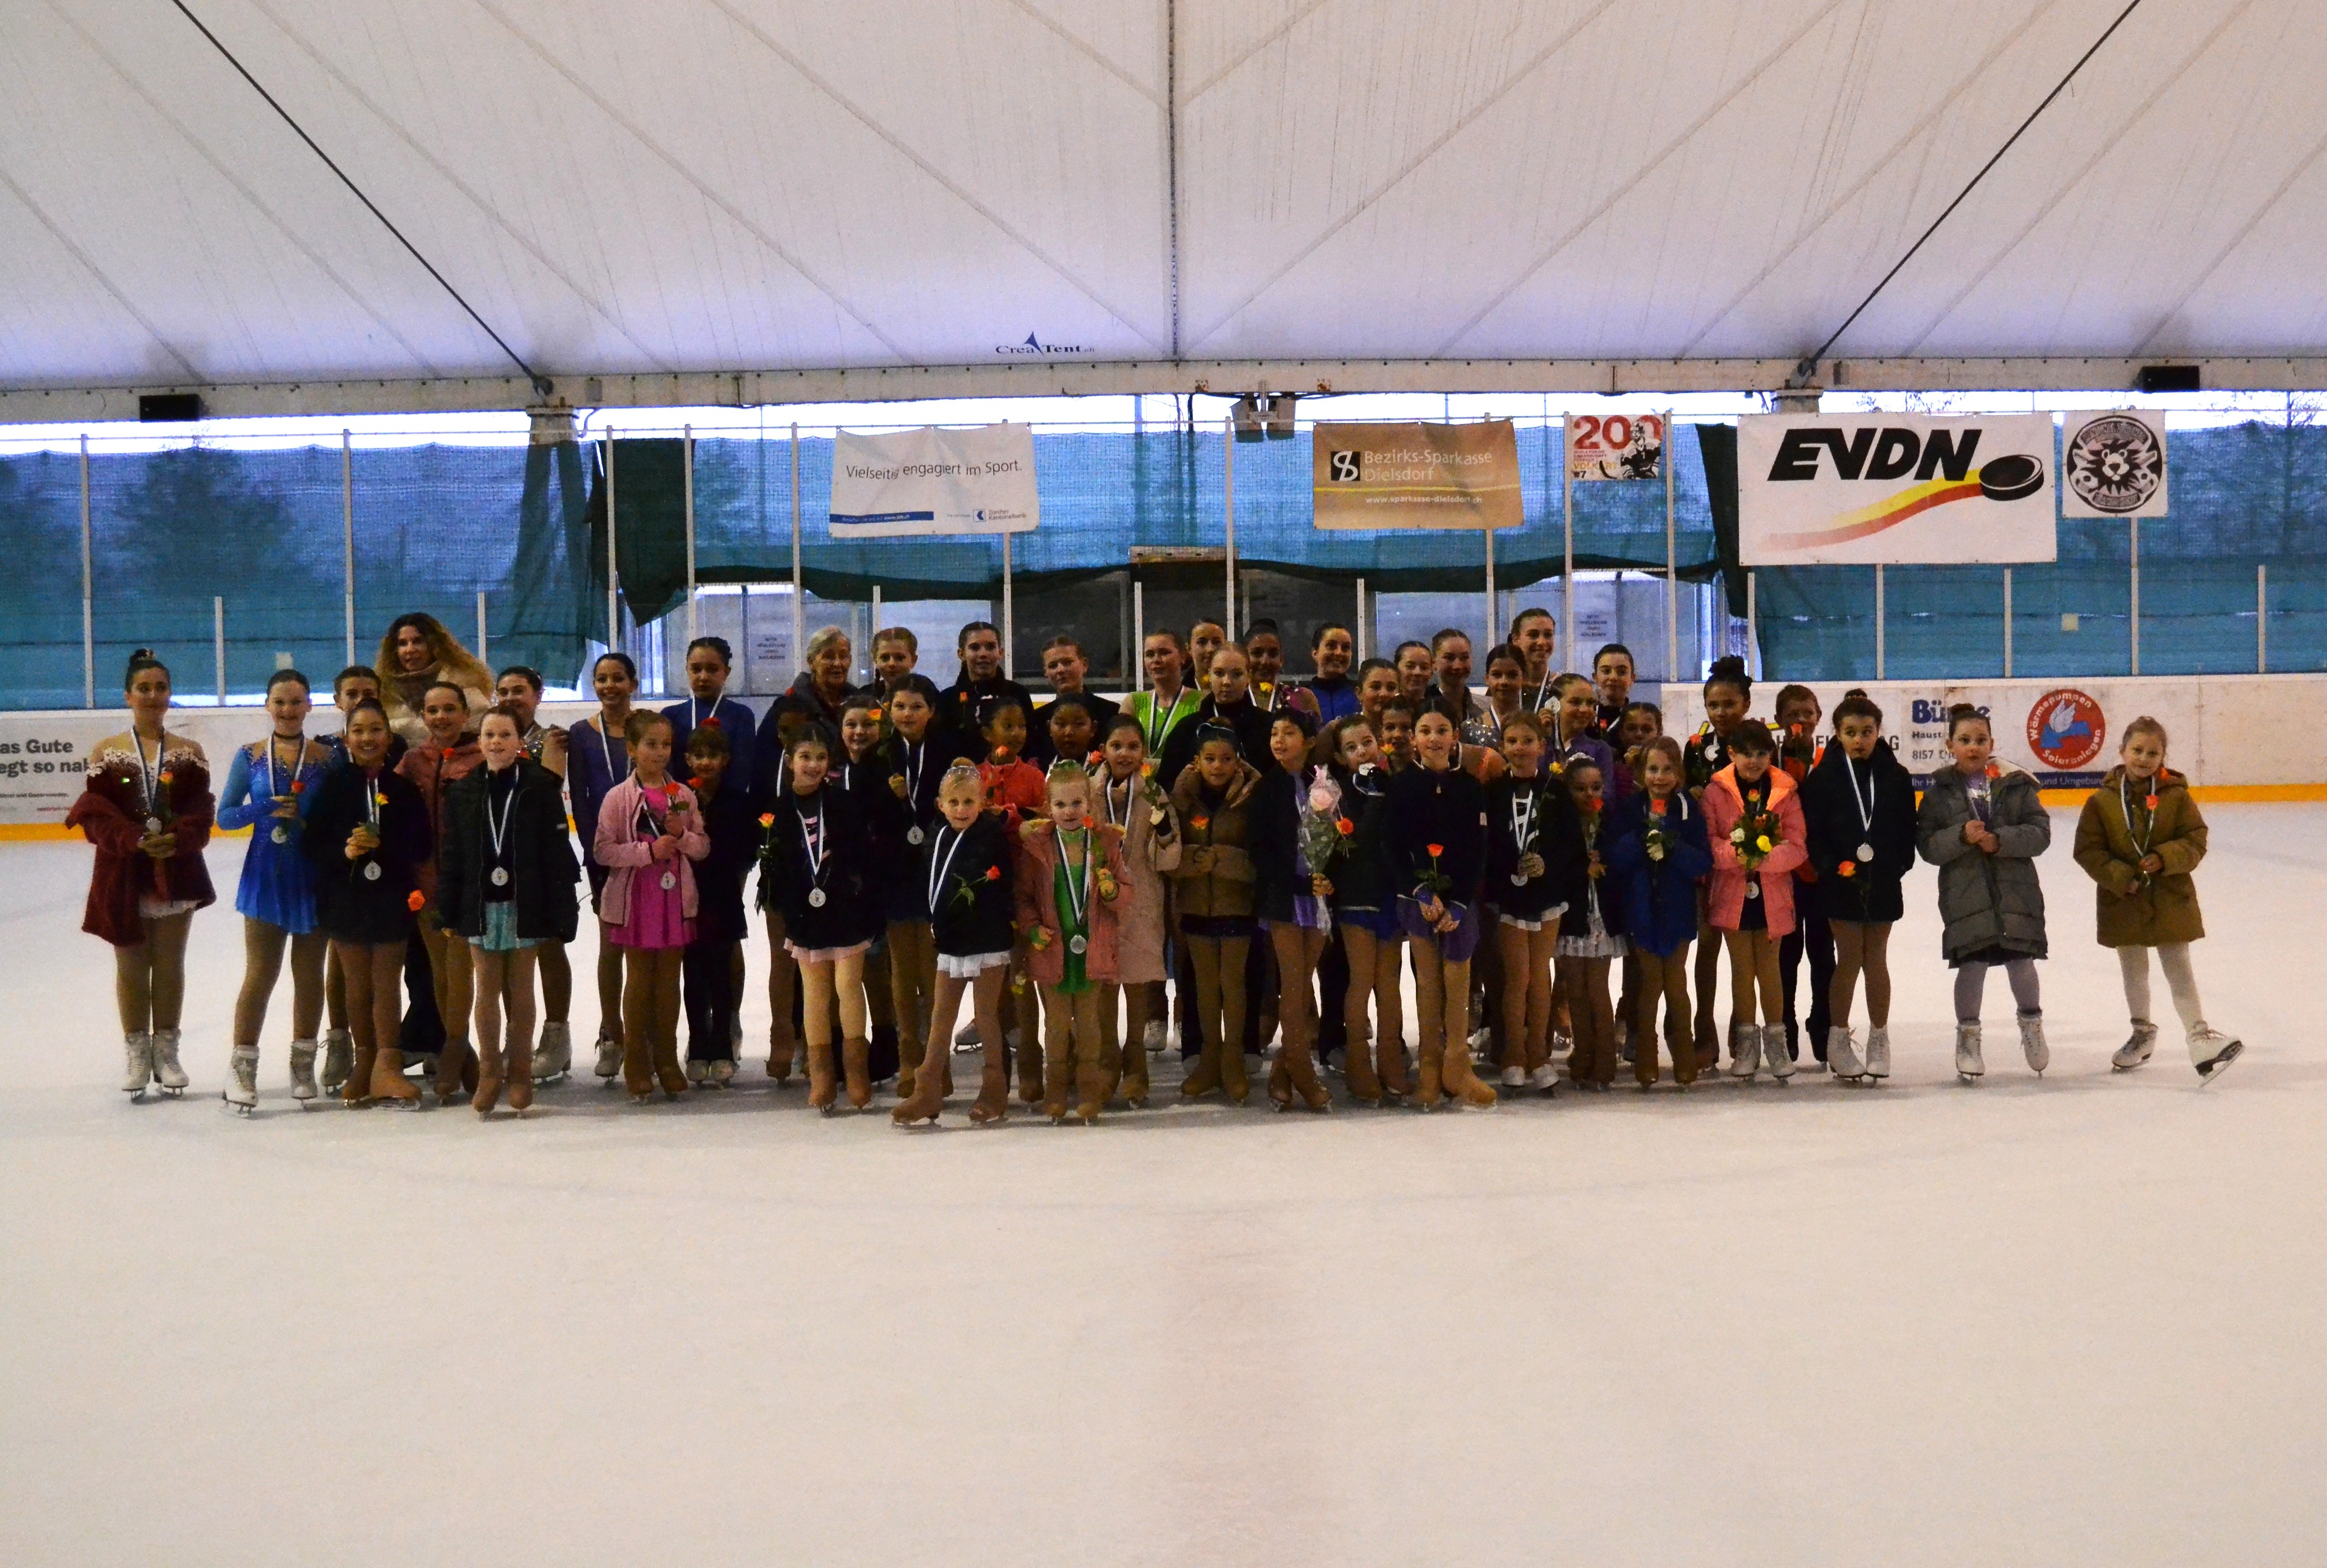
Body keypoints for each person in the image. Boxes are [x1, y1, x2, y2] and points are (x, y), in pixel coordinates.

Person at [69, 649, 216, 1100]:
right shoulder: (108, 752)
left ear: (170, 694)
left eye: (161, 688)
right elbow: (96, 814)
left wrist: (179, 837)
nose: (153, 696)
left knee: (170, 964)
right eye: (144, 688)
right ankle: (136, 1050)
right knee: (131, 965)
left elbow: (200, 809)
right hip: (124, 874)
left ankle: (167, 1051)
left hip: (176, 869)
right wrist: (133, 839)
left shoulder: (189, 752)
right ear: (128, 695)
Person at [2072, 717, 2242, 1079]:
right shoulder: (2101, 802)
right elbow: (2087, 850)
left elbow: (2195, 839)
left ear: (2163, 756)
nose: (2143, 758)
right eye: (2137, 750)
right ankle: (2141, 1033)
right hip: (2124, 900)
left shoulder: (2176, 797)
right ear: (2121, 752)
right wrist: (2120, 876)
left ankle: (2199, 1037)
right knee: (2133, 970)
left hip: (2169, 896)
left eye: (2152, 752)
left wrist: (2166, 857)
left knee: (2178, 965)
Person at [437, 704, 579, 1115]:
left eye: (505, 735)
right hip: (480, 904)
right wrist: (447, 909)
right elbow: (455, 855)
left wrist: (562, 912)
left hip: (526, 903)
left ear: (521, 743)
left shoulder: (539, 787)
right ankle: (489, 1073)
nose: (496, 742)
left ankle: (519, 1072)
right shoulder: (463, 790)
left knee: (521, 989)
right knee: (485, 989)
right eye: (489, 735)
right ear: (479, 742)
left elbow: (556, 853)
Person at [302, 699, 430, 1107]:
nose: (367, 738)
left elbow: (421, 844)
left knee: (386, 981)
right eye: (358, 730)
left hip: (391, 897)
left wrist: (384, 845)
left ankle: (388, 1063)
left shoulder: (403, 789)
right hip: (345, 898)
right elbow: (311, 845)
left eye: (375, 730)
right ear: (346, 738)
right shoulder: (334, 786)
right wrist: (345, 851)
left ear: (388, 737)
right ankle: (365, 1061)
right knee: (356, 986)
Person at [1916, 705, 2052, 1082]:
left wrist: (2001, 840)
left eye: (1980, 740)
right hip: (1966, 896)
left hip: (2015, 893)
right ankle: (1968, 1038)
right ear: (1949, 745)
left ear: (1991, 743)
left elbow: (2040, 832)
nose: (1972, 747)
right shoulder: (1939, 794)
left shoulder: (2015, 783)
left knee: (2021, 961)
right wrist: (1961, 836)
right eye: (1964, 740)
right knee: (1971, 965)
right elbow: (1927, 846)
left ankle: (2032, 1025)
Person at [217, 669, 332, 1111]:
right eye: (279, 702)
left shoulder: (325, 757)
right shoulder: (249, 757)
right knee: (260, 974)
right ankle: (242, 1066)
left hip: (312, 876)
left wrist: (310, 821)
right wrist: (262, 807)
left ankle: (303, 1063)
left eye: (296, 701)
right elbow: (225, 817)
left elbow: (337, 814)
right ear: (267, 705)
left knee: (309, 974)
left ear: (309, 705)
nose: (287, 710)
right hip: (265, 876)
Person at [1799, 692, 1917, 1082]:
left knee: (1876, 958)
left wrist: (1894, 865)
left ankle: (1879, 1037)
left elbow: (1905, 829)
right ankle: (1837, 1038)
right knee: (1849, 957)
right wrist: (1832, 868)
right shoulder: (1825, 776)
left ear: (1878, 732)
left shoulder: (1895, 775)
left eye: (1867, 732)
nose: (1859, 740)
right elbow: (1813, 834)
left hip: (1881, 879)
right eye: (1850, 732)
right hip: (1839, 882)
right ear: (1836, 734)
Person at [890, 764, 1016, 1126]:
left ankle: (994, 1090)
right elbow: (931, 880)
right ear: (940, 804)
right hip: (949, 940)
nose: (962, 809)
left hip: (987, 939)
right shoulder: (937, 834)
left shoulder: (991, 835)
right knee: (940, 1017)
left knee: (987, 1016)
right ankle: (927, 1089)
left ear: (983, 802)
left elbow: (998, 886)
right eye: (954, 802)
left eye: (969, 801)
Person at [593, 710, 709, 1103]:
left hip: (674, 898)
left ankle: (667, 1058)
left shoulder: (683, 795)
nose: (659, 752)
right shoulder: (618, 798)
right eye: (650, 744)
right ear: (632, 749)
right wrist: (647, 851)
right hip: (637, 898)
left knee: (668, 983)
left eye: (665, 745)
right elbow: (603, 850)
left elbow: (702, 846)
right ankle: (637, 1060)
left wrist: (683, 837)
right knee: (639, 981)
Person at [765, 723, 877, 1112]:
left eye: (820, 757)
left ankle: (856, 1070)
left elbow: (862, 855)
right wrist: (789, 905)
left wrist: (858, 894)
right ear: (789, 761)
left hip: (845, 909)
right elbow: (776, 867)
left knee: (848, 985)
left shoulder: (842, 803)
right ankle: (822, 1073)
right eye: (804, 757)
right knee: (814, 994)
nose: (812, 765)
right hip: (805, 915)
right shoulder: (778, 810)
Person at [1388, 709, 1495, 1109]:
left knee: (1458, 981)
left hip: (1458, 901)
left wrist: (1456, 899)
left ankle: (1458, 1065)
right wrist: (1419, 891)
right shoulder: (1400, 786)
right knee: (1427, 983)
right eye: (1425, 731)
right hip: (1418, 899)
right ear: (1413, 738)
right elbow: (1393, 846)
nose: (1434, 738)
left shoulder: (1469, 787)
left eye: (1442, 731)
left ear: (1455, 738)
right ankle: (1429, 1068)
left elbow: (1477, 849)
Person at [1016, 761, 1131, 1123]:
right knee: (1054, 1025)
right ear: (1047, 807)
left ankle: (1089, 1092)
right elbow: (1022, 898)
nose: (1069, 811)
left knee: (1089, 1025)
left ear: (1089, 804)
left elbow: (1126, 892)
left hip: (1091, 948)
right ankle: (1055, 1093)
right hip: (1052, 951)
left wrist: (1112, 891)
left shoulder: (1104, 842)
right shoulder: (1037, 846)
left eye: (1076, 803)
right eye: (1060, 804)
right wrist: (1032, 928)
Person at [1483, 711, 1585, 1091]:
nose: (1519, 748)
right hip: (1510, 894)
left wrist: (1547, 863)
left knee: (1540, 977)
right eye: (1511, 741)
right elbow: (1488, 844)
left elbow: (1571, 844)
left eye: (1527, 741)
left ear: (1542, 747)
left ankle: (1538, 1054)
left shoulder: (1555, 791)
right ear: (1502, 747)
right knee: (1517, 978)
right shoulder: (1493, 792)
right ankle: (1513, 1054)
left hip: (1546, 894)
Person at [1604, 737, 1714, 1087]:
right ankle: (1647, 1058)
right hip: (1641, 908)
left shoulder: (1688, 810)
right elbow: (1616, 857)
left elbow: (1703, 859)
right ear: (1641, 773)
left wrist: (1671, 847)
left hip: (1678, 908)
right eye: (1653, 769)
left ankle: (1684, 1057)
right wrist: (1642, 841)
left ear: (1679, 773)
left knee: (1677, 983)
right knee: (1650, 984)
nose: (1660, 777)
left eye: (1668, 769)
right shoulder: (1630, 809)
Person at [1702, 721, 1806, 1082]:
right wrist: (1738, 853)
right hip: (1732, 895)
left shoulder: (1784, 791)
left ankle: (1776, 1041)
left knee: (1770, 970)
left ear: (1771, 755)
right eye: (1746, 753)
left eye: (1762, 753)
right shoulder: (1715, 792)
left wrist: (1761, 856)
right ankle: (1746, 1043)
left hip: (1772, 896)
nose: (1754, 760)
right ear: (1731, 753)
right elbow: (1710, 843)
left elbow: (1797, 846)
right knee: (1741, 971)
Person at [399, 681, 484, 1104]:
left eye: (450, 709)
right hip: (425, 883)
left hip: (473, 885)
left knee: (465, 970)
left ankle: (458, 1047)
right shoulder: (413, 760)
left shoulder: (482, 755)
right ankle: (459, 1049)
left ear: (466, 714)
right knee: (439, 970)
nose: (441, 717)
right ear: (423, 716)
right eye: (433, 710)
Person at [492, 665, 577, 1083]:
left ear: (538, 695)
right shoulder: (491, 738)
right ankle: (517, 1036)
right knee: (508, 951)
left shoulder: (551, 740)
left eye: (519, 690)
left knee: (547, 946)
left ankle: (556, 1035)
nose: (510, 697)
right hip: (500, 860)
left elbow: (545, 789)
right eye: (503, 691)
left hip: (543, 857)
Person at [1685, 655, 1769, 1072]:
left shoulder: (1763, 747)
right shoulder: (1697, 747)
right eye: (1713, 705)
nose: (1721, 712)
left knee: (1745, 956)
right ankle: (1704, 1027)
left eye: (1729, 704)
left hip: (1752, 867)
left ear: (1746, 702)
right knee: (1706, 949)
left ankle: (1743, 1026)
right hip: (1707, 865)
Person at [1169, 725, 1261, 1103]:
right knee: (1204, 987)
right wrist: (1192, 862)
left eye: (1226, 758)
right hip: (1195, 905)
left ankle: (1234, 1059)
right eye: (1209, 759)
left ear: (1238, 760)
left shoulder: (1253, 799)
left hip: (1236, 905)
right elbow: (1165, 851)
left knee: (1233, 984)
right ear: (1196, 762)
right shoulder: (1181, 800)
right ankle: (1209, 1056)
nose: (1217, 766)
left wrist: (1222, 859)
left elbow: (1262, 857)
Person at [1092, 714, 1180, 1105]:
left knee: (1138, 983)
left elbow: (1170, 859)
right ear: (1104, 750)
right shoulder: (1087, 791)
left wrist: (1163, 834)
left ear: (1143, 752)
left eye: (1132, 746)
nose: (1124, 754)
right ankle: (1108, 1059)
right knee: (1105, 984)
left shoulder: (1155, 795)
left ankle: (1136, 1060)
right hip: (1098, 899)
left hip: (1142, 897)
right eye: (1116, 746)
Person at [1319, 715, 1406, 1105]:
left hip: (1390, 894)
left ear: (1380, 743)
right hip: (1355, 895)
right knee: (1361, 979)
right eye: (1351, 748)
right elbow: (1362, 839)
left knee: (1388, 984)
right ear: (1340, 755)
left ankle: (1390, 1061)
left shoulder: (1394, 785)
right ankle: (1357, 1062)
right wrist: (1371, 796)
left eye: (1367, 742)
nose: (1362, 751)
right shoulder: (1336, 794)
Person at [1251, 709, 1333, 1111]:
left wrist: (1325, 876)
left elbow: (1335, 837)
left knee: (1303, 984)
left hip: (1315, 896)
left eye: (1288, 732)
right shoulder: (1266, 788)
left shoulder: (1321, 784)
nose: (1279, 740)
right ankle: (1301, 1067)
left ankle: (1282, 1072)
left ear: (1310, 740)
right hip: (1284, 898)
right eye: (1273, 733)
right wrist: (1301, 883)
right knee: (1294, 982)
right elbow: (1262, 854)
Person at [566, 651, 639, 1082]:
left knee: (648, 948)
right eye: (601, 679)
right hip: (605, 857)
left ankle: (645, 1032)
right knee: (611, 946)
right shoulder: (581, 734)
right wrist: (603, 852)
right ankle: (612, 1032)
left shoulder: (649, 727)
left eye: (617, 678)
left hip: (650, 854)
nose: (609, 686)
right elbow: (580, 796)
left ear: (633, 682)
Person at [875, 681, 948, 1102]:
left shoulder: (947, 753)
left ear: (931, 711)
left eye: (916, 706)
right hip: (896, 874)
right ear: (888, 709)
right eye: (899, 706)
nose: (907, 713)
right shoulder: (881, 755)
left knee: (935, 973)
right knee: (902, 973)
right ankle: (908, 1059)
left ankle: (939, 1066)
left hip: (936, 871)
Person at [678, 722, 755, 1087]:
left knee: (722, 972)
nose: (705, 762)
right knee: (693, 973)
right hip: (688, 900)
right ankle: (697, 1044)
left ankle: (723, 1044)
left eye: (712, 756)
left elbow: (745, 852)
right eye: (699, 756)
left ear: (725, 759)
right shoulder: (678, 798)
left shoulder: (738, 802)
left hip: (723, 898)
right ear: (688, 759)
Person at [1770, 683, 1833, 1066]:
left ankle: (1823, 1022)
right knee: (1787, 955)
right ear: (1778, 719)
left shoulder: (1830, 757)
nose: (1800, 720)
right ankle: (1785, 1024)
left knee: (1824, 954)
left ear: (1818, 716)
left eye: (1807, 713)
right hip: (1783, 875)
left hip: (1825, 873)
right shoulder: (1770, 760)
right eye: (1792, 714)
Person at [1158, 643, 1274, 788]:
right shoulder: (1186, 729)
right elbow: (1165, 785)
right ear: (1209, 675)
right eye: (1219, 673)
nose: (1227, 682)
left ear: (1249, 677)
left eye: (1237, 674)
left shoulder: (1268, 726)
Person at [374, 612, 493, 748]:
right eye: (402, 644)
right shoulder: (384, 694)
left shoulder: (465, 686)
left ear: (434, 645)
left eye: (418, 641)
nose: (410, 649)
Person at [662, 635, 757, 796]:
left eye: (712, 670)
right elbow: (666, 768)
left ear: (726, 672)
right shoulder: (670, 716)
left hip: (727, 808)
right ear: (687, 670)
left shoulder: (742, 716)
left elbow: (742, 772)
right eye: (696, 669)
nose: (703, 677)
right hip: (680, 804)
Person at [1026, 636, 1118, 767]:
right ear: (1046, 672)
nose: (1061, 670)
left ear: (1084, 665)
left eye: (1067, 662)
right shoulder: (1038, 720)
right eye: (1053, 666)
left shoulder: (1111, 713)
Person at [1125, 628, 1203, 779]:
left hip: (1182, 788)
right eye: (1150, 655)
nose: (1156, 660)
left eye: (1164, 652)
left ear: (1183, 656)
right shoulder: (1134, 702)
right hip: (1139, 790)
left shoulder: (1200, 701)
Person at [938, 620, 1032, 741]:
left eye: (990, 647)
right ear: (962, 654)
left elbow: (1031, 743)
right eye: (975, 648)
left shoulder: (1018, 695)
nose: (983, 654)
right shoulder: (947, 700)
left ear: (1000, 652)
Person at [1242, 619, 1319, 721]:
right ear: (1244, 658)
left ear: (1281, 659)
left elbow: (1315, 736)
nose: (1265, 662)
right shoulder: (1233, 699)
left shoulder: (1303, 698)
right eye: (1257, 653)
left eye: (1273, 654)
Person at [1465, 643, 1529, 751]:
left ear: (1524, 678)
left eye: (1512, 675)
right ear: (1487, 678)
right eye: (1497, 675)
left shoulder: (1534, 727)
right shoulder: (1470, 729)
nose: (1504, 682)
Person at [1301, 622, 1360, 721]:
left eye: (1346, 648)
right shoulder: (1301, 697)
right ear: (1315, 653)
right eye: (1331, 646)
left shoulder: (1360, 695)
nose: (1339, 653)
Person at [1509, 607, 1560, 717]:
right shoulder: (1506, 685)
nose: (1541, 642)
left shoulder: (1562, 686)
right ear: (1516, 640)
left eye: (1548, 635)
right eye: (1533, 635)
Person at [1427, 628, 1480, 732]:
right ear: (1434, 663)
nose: (1458, 666)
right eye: (1449, 658)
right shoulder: (1423, 707)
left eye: (1464, 658)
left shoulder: (1484, 708)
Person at [1591, 643, 1636, 735]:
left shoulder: (1637, 720)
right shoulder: (1585, 716)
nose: (1613, 678)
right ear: (1595, 677)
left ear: (1632, 678)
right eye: (1606, 671)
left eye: (1622, 672)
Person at [1392, 640, 1435, 715]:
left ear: (1432, 672)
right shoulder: (1387, 709)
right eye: (1410, 666)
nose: (1417, 673)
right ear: (1396, 669)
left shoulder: (1437, 709)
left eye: (1424, 668)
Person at [1188, 618, 1227, 686]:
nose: (1210, 649)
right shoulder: (1176, 690)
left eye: (1217, 642)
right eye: (1202, 643)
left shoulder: (1239, 690)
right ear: (1189, 649)